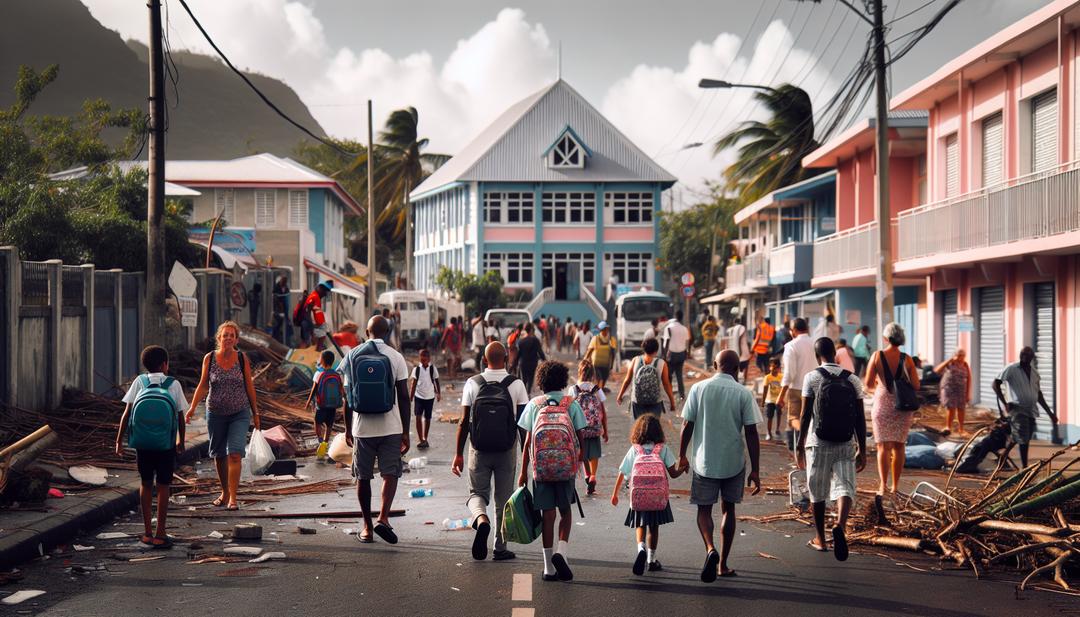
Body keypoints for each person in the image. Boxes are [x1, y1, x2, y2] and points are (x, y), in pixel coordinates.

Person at [678, 350, 762, 583]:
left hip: (704, 461)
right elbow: (752, 432)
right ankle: (722, 564)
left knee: (704, 510)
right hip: (733, 462)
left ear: (715, 365)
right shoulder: (743, 393)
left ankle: (710, 548)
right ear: (737, 369)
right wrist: (755, 470)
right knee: (729, 510)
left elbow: (687, 424)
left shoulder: (698, 388)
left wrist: (682, 455)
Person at [453, 342, 530, 561]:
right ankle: (500, 547)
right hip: (506, 450)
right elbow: (523, 425)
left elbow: (463, 422)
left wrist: (458, 453)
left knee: (476, 493)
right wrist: (527, 458)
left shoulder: (473, 383)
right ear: (506, 359)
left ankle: (481, 519)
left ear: (484, 360)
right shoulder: (516, 384)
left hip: (479, 449)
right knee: (503, 499)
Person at [340, 315, 411, 544]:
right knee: (390, 473)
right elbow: (403, 396)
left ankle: (367, 528)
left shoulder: (352, 356)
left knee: (363, 476)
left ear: (366, 332)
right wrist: (406, 431)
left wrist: (348, 430)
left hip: (362, 428)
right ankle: (383, 517)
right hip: (391, 427)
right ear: (387, 332)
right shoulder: (395, 357)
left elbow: (347, 397)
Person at [517, 361, 589, 582]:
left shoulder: (534, 404)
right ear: (563, 380)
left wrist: (523, 472)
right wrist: (579, 464)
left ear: (541, 382)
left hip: (541, 469)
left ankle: (548, 568)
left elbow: (528, 442)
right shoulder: (571, 404)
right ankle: (562, 552)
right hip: (565, 469)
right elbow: (581, 439)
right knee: (565, 512)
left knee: (547, 515)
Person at [796, 337, 867, 560]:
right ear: (835, 354)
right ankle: (840, 525)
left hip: (818, 443)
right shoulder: (853, 379)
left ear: (817, 356)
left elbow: (805, 415)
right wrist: (863, 449)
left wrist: (799, 445)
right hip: (846, 442)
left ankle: (821, 539)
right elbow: (860, 418)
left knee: (817, 491)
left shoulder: (812, 378)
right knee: (845, 486)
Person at [116, 345, 188, 548]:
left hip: (143, 444)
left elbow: (127, 414)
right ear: (165, 365)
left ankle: (147, 532)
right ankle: (160, 533)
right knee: (163, 486)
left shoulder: (139, 381)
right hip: (165, 446)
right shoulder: (174, 384)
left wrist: (119, 441)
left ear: (145, 365)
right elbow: (180, 418)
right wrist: (181, 441)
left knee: (146, 483)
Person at [185, 321, 261, 511]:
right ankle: (224, 492)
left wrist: (256, 413)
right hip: (215, 413)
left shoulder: (242, 358)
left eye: (231, 335)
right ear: (219, 338)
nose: (228, 338)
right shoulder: (209, 358)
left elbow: (249, 386)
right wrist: (192, 407)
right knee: (219, 455)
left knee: (235, 453)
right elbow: (203, 385)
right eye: (225, 335)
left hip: (239, 412)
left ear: (236, 340)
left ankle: (233, 498)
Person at [610, 414, 684, 575]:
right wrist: (683, 468)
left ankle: (641, 548)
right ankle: (651, 560)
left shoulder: (635, 449)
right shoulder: (662, 449)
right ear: (658, 431)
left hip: (639, 496)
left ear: (638, 431)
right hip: (658, 497)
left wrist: (614, 494)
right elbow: (673, 473)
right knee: (654, 527)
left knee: (640, 525)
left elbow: (622, 471)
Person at [863, 322, 920, 497]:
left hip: (882, 404)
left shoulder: (877, 356)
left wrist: (880, 385)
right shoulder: (907, 359)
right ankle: (895, 486)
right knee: (899, 446)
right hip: (903, 405)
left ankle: (883, 486)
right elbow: (916, 385)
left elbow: (868, 383)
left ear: (886, 338)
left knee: (883, 447)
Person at [994, 347, 1059, 467]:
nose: (1024, 356)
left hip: (1031, 409)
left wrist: (1050, 413)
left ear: (1032, 357)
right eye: (1022, 353)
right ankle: (1024, 467)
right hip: (1017, 408)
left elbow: (1038, 394)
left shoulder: (1034, 373)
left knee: (1022, 436)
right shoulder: (1012, 368)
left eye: (1027, 354)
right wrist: (1005, 402)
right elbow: (995, 384)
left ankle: (1003, 455)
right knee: (1023, 439)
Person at [778, 318, 815, 453]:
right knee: (811, 418)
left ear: (793, 330)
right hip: (815, 387)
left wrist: (781, 395)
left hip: (797, 387)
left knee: (793, 418)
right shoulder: (815, 342)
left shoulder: (791, 346)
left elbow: (789, 373)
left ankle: (802, 437)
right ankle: (808, 440)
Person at [571, 359, 607, 495]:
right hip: (595, 428)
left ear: (579, 372)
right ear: (592, 374)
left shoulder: (574, 389)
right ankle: (593, 475)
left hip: (580, 428)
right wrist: (605, 430)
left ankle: (587, 475)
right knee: (594, 453)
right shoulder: (596, 389)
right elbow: (603, 411)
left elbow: (569, 409)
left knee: (583, 451)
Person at [617, 338, 676, 420]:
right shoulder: (662, 363)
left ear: (643, 348)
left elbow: (627, 380)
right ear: (656, 350)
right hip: (655, 401)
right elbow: (666, 384)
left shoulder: (635, 360)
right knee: (653, 425)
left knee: (639, 425)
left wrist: (620, 396)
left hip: (637, 400)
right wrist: (672, 402)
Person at [304, 350, 344, 460]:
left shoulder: (318, 374)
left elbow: (314, 389)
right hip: (333, 405)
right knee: (329, 425)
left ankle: (320, 440)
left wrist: (308, 401)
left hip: (321, 406)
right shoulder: (337, 375)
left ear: (322, 360)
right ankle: (325, 443)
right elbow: (341, 389)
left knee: (317, 423)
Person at [935, 349, 972, 436]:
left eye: (963, 356)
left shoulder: (965, 364)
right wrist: (949, 360)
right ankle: (948, 427)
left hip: (961, 389)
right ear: (955, 355)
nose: (961, 357)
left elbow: (969, 379)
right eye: (959, 355)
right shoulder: (950, 363)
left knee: (961, 408)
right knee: (951, 408)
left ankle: (961, 429)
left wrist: (968, 393)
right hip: (949, 388)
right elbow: (937, 370)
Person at [410, 348, 441, 449]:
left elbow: (436, 381)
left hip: (430, 397)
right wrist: (411, 397)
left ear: (429, 358)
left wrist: (438, 393)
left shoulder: (432, 369)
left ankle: (425, 438)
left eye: (425, 356)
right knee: (418, 417)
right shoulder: (416, 369)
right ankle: (421, 439)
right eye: (421, 356)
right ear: (419, 357)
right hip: (419, 396)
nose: (423, 358)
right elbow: (413, 384)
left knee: (428, 418)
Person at [661, 310, 691, 401]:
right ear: (682, 317)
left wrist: (664, 355)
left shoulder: (669, 328)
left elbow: (666, 342)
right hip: (682, 354)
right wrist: (687, 353)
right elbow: (687, 342)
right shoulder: (684, 329)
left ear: (675, 316)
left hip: (671, 355)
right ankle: (682, 395)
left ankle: (669, 394)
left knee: (669, 375)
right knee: (679, 375)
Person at [511, 322, 546, 394]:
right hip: (532, 363)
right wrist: (545, 361)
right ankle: (528, 393)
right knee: (530, 380)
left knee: (523, 380)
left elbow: (518, 355)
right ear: (531, 330)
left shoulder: (521, 341)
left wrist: (513, 365)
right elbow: (540, 352)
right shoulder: (535, 340)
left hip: (523, 363)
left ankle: (523, 395)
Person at [586, 321, 617, 392]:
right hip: (596, 364)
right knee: (600, 379)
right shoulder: (595, 339)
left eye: (606, 329)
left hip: (606, 364)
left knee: (604, 378)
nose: (606, 331)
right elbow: (590, 351)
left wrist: (612, 365)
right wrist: (585, 360)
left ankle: (600, 391)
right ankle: (598, 392)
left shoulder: (611, 340)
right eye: (604, 329)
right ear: (600, 330)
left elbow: (613, 353)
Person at [301, 281, 333, 350]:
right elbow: (307, 312)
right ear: (320, 289)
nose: (325, 294)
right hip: (310, 325)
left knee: (318, 343)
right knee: (311, 345)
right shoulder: (314, 297)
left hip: (315, 325)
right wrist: (312, 329)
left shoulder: (317, 297)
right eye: (325, 291)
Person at [760, 357, 784, 441]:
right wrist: (763, 402)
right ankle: (769, 432)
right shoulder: (768, 377)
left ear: (778, 368)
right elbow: (765, 391)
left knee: (779, 414)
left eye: (776, 367)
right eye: (772, 367)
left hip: (778, 399)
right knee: (770, 417)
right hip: (770, 400)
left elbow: (783, 389)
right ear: (769, 367)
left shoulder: (781, 377)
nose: (774, 369)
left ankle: (777, 429)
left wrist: (783, 399)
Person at [727, 317, 750, 382]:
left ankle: (736, 379)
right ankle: (744, 379)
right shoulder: (742, 328)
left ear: (734, 323)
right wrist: (739, 349)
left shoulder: (732, 329)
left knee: (737, 366)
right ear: (740, 322)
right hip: (742, 349)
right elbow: (739, 338)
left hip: (735, 350)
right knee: (745, 364)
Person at [271, 275, 291, 344]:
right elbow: (276, 299)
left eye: (285, 282)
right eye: (283, 281)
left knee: (286, 325)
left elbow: (287, 296)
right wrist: (280, 309)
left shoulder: (286, 288)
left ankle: (284, 340)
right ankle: (275, 339)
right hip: (278, 310)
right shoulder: (276, 288)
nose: (284, 283)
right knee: (277, 325)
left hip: (284, 310)